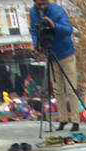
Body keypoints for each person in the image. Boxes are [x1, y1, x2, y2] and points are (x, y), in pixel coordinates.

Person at [29, 0, 79, 131]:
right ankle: (63, 119)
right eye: (38, 5)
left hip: (66, 53)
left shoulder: (57, 11)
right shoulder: (33, 12)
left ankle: (75, 120)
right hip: (50, 54)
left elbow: (68, 30)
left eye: (43, 4)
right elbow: (34, 30)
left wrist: (54, 25)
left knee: (71, 88)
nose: (41, 7)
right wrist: (37, 44)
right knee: (57, 89)